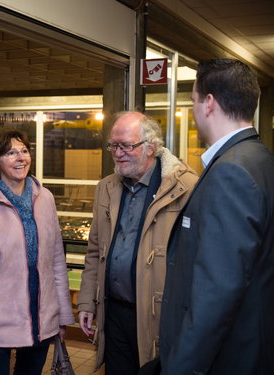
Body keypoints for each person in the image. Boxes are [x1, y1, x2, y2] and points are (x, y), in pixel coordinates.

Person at [155, 59, 274, 374]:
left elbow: (217, 293)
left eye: (193, 101)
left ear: (208, 103)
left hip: (226, 357)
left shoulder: (231, 172)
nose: (193, 110)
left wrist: (179, 367)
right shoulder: (260, 159)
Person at [77, 111, 198, 374]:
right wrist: (87, 302)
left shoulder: (185, 188)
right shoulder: (106, 187)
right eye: (113, 145)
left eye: (126, 146)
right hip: (114, 313)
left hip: (156, 318)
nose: (117, 153)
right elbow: (95, 251)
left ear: (150, 147)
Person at [0, 128, 74, 375]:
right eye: (11, 153)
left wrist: (61, 317)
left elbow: (56, 263)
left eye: (24, 151)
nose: (21, 158)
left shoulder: (46, 198)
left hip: (40, 319)